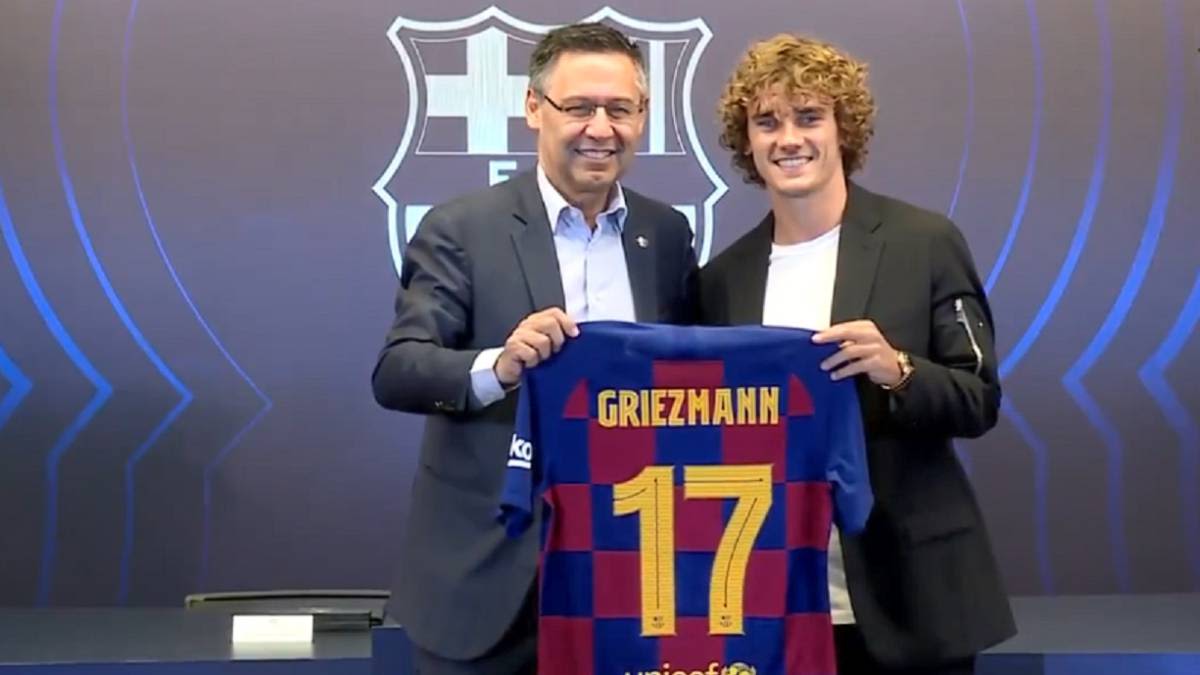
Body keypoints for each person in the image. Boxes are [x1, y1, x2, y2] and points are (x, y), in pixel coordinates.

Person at [371, 22, 698, 675]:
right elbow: (399, 369)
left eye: (620, 109)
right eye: (579, 107)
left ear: (643, 116)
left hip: (634, 579)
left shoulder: (665, 234)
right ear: (533, 108)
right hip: (489, 585)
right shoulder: (461, 228)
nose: (600, 128)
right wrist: (499, 365)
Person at [699, 34, 1015, 674]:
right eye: (767, 122)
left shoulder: (924, 242)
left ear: (844, 129)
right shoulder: (721, 280)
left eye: (809, 117)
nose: (789, 139)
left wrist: (899, 371)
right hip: (773, 601)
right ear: (746, 142)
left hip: (912, 596)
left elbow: (978, 398)